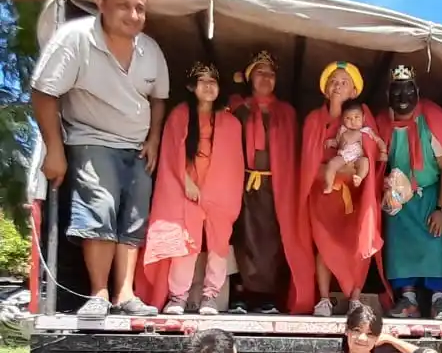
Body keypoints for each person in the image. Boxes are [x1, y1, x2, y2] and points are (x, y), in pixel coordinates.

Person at [30, 0, 169, 317]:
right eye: (124, 6)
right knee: (100, 211)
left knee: (133, 220)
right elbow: (44, 92)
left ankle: (125, 294)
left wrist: (154, 139)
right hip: (91, 139)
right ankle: (99, 294)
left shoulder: (150, 49)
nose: (133, 15)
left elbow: (159, 98)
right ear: (101, 3)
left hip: (136, 146)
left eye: (140, 8)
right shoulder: (75, 38)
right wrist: (54, 149)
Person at [376, 65, 442, 320]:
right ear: (388, 95)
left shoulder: (431, 119)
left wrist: (441, 209)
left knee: (437, 243)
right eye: (396, 92)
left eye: (408, 91)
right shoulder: (382, 123)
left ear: (417, 92)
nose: (403, 98)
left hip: (432, 195)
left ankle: (439, 300)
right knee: (399, 245)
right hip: (399, 198)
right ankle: (408, 299)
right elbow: (376, 163)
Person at [136, 62, 243, 316]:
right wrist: (187, 183)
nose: (208, 86)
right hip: (185, 188)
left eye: (213, 81)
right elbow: (171, 154)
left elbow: (233, 164)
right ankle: (178, 297)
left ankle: (210, 297)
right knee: (186, 243)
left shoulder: (231, 122)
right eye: (202, 81)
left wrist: (216, 192)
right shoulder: (180, 115)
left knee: (218, 244)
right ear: (192, 86)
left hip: (219, 192)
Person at [298, 62, 386, 317]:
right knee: (324, 245)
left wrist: (351, 170)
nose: (338, 86)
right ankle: (324, 299)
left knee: (359, 244)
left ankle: (355, 299)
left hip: (356, 196)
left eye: (344, 82)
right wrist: (332, 171)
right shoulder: (314, 120)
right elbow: (308, 162)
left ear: (354, 91)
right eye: (333, 81)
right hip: (324, 193)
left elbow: (372, 154)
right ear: (325, 90)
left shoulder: (362, 116)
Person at [228, 51, 305, 314]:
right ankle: (239, 292)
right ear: (250, 77)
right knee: (240, 237)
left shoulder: (286, 113)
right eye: (259, 72)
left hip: (276, 186)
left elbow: (294, 152)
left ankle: (266, 296)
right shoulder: (237, 109)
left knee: (272, 241)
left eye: (270, 74)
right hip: (242, 182)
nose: (265, 78)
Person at [324, 99, 388, 192]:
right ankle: (329, 184)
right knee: (331, 164)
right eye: (348, 118)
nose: (353, 121)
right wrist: (331, 142)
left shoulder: (366, 130)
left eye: (356, 117)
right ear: (342, 119)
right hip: (343, 156)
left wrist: (383, 151)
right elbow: (338, 142)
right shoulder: (342, 130)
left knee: (365, 162)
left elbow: (378, 140)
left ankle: (359, 177)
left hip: (358, 157)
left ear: (363, 118)